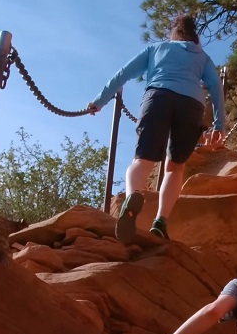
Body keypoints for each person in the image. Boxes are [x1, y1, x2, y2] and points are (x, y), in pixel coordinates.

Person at [87, 15, 225, 242]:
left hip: (157, 97)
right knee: (175, 167)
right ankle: (160, 221)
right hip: (191, 105)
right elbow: (215, 87)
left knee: (141, 161)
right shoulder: (202, 57)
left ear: (173, 35)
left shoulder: (157, 48)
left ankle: (134, 196)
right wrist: (219, 123)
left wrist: (99, 100)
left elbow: (124, 73)